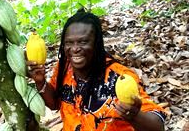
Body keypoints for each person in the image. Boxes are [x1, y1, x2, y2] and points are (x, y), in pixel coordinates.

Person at [26, 9, 166, 131]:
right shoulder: (64, 67)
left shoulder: (119, 78)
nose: (75, 49)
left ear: (97, 44)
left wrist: (135, 116)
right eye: (69, 42)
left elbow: (158, 126)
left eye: (83, 42)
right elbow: (55, 103)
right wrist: (40, 81)